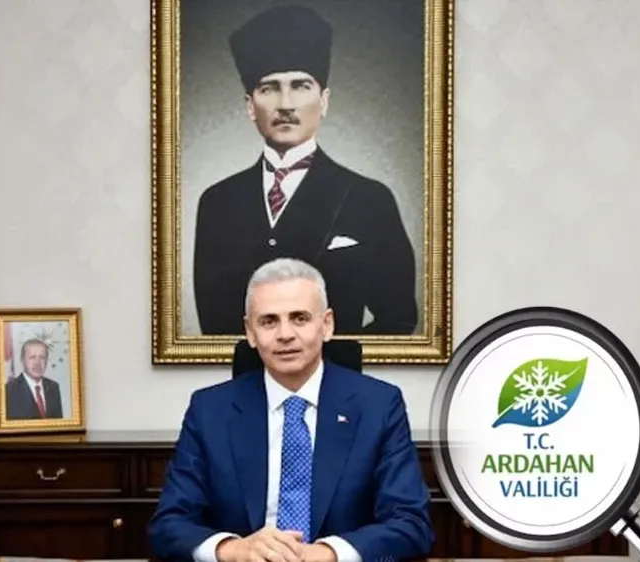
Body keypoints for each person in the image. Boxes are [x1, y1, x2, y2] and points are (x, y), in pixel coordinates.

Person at [149, 258, 434, 562]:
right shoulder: (209, 411)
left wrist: (327, 553)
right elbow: (169, 524)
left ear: (326, 325)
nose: (285, 334)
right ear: (250, 331)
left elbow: (410, 523)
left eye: (299, 318)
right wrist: (235, 549)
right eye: (268, 321)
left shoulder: (379, 406)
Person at [192, 4, 418, 337]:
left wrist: (327, 359)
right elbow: (214, 329)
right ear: (250, 106)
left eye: (300, 85)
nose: (286, 104)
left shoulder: (370, 200)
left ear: (323, 100)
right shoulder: (217, 203)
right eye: (269, 88)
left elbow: (399, 319)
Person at [4, 338, 64, 420]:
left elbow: (58, 424)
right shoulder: (9, 391)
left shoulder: (54, 387)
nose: (37, 363)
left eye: (42, 357)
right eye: (32, 357)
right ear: (22, 360)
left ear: (46, 361)